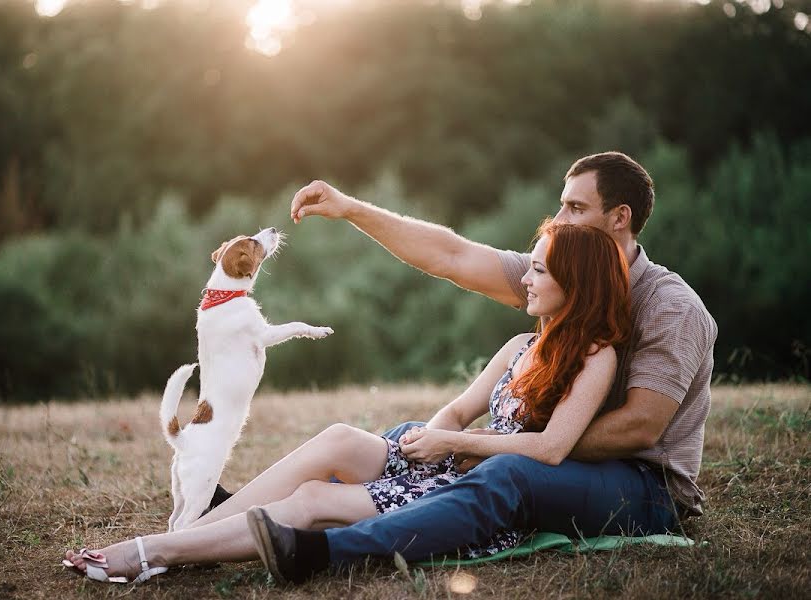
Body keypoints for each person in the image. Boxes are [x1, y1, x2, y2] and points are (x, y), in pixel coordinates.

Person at [62, 221, 635, 584]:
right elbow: (458, 412)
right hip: (442, 467)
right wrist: (428, 441)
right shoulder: (520, 345)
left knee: (313, 499)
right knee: (338, 437)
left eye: (539, 269)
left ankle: (148, 552)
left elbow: (554, 448)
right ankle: (192, 537)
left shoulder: (596, 357)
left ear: (574, 282)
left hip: (477, 498)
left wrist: (452, 445)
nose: (527, 280)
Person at [242, 151, 717, 583]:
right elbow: (450, 255)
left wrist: (498, 445)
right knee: (411, 435)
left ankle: (321, 550)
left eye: (576, 208)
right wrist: (351, 208)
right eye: (561, 205)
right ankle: (252, 515)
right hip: (554, 459)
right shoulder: (559, 270)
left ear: (620, 218)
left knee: (507, 472)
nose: (558, 219)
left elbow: (640, 428)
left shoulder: (671, 308)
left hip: (645, 487)